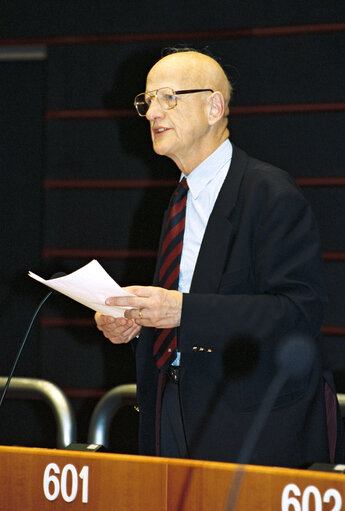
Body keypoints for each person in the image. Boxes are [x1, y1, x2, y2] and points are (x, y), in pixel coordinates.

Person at [95, 49, 345, 467]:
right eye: (147, 100)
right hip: (172, 409)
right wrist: (137, 324)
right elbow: (190, 308)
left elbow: (298, 312)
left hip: (250, 427)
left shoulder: (270, 192)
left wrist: (180, 311)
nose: (152, 112)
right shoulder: (178, 199)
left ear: (214, 106)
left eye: (168, 98)